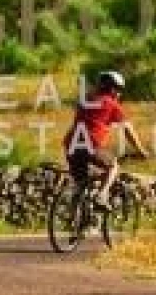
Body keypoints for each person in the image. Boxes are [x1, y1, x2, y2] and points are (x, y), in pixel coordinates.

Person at [63, 70, 150, 209]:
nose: (120, 94)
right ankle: (102, 196)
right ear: (114, 89)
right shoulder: (112, 104)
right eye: (120, 90)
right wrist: (140, 150)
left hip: (71, 145)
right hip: (90, 144)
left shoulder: (86, 99)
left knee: (81, 183)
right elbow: (127, 130)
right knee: (113, 166)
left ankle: (75, 218)